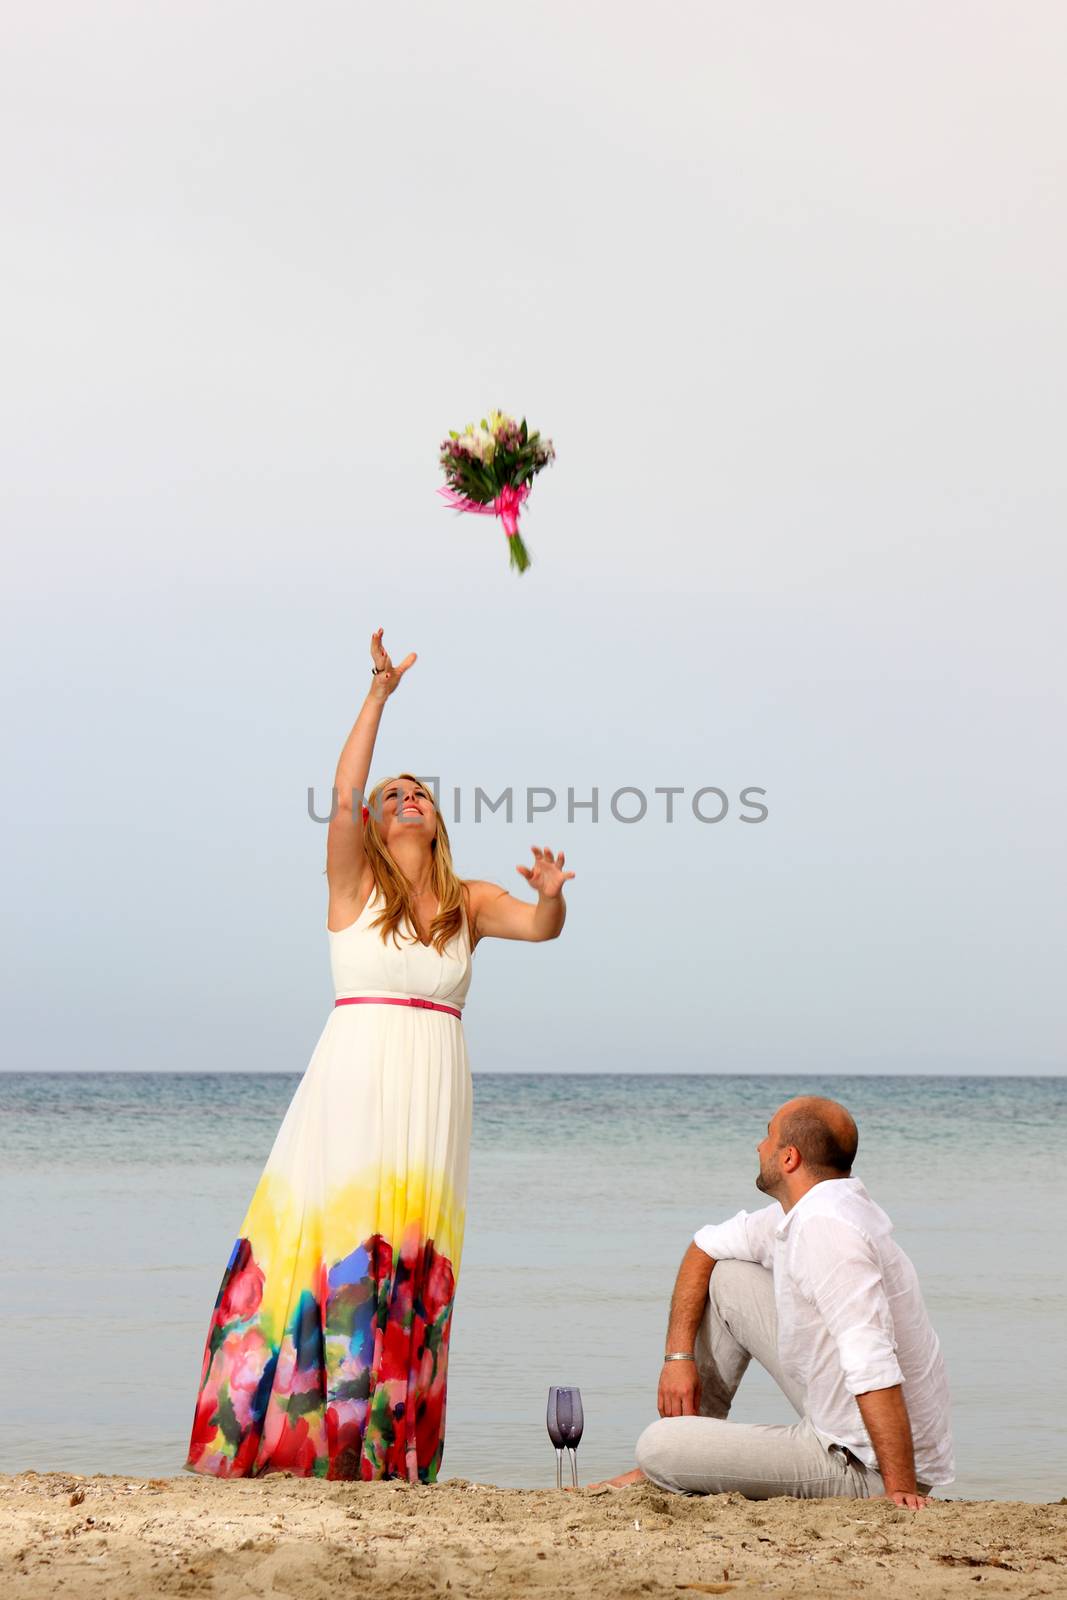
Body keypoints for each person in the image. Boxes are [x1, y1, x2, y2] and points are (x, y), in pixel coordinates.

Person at [184, 627, 575, 1482]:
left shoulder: (468, 902)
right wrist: (378, 695)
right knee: (343, 1240)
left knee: (411, 1253)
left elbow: (540, 928)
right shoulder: (351, 885)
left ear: (436, 818)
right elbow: (343, 785)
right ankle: (304, 1440)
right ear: (373, 818)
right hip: (356, 1077)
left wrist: (549, 899)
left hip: (433, 1088)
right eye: (392, 793)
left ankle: (387, 1450)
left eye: (419, 794)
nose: (404, 799)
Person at [600, 1096, 953, 1507]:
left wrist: (900, 1489)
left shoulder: (830, 1232)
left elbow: (872, 1362)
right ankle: (689, 1444)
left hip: (864, 1464)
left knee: (658, 1446)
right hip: (842, 1418)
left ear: (789, 1158)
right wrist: (678, 1359)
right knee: (729, 1275)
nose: (758, 1147)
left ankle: (670, 1461)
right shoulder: (807, 1209)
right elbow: (704, 1246)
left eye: (768, 1136)